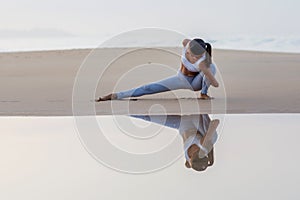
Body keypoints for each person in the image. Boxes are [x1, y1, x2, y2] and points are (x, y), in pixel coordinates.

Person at [96, 38, 219, 101]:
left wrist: (208, 73)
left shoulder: (202, 62)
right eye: (191, 54)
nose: (193, 58)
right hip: (181, 78)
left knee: (211, 66)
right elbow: (186, 41)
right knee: (148, 88)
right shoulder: (186, 43)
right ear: (188, 48)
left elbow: (215, 84)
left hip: (196, 83)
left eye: (196, 57)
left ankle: (203, 93)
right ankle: (116, 96)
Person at [131, 114, 219, 172]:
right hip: (195, 120)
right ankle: (201, 108)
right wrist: (209, 137)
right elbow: (216, 122)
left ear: (191, 158)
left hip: (180, 124)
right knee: (213, 138)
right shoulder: (203, 145)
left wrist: (211, 161)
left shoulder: (189, 161)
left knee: (144, 116)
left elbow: (187, 165)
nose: (196, 149)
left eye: (195, 152)